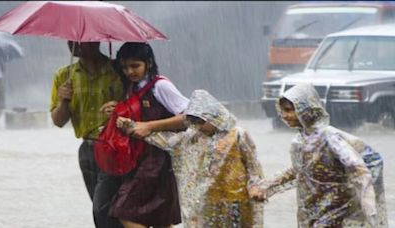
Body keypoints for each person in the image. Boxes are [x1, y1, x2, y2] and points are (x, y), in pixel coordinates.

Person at [117, 89, 265, 227]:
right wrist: (131, 126)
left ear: (214, 115)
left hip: (237, 202)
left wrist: (256, 187)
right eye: (194, 122)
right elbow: (162, 139)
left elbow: (254, 168)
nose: (199, 126)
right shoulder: (191, 139)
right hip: (206, 205)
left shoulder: (238, 135)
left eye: (201, 121)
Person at [256, 83, 388, 227]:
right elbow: (300, 169)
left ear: (305, 109)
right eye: (282, 111)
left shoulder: (328, 136)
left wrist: (368, 204)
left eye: (289, 110)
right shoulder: (300, 140)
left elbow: (357, 167)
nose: (284, 116)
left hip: (336, 208)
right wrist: (267, 186)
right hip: (310, 208)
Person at [107, 42, 189, 228]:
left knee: (123, 209)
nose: (130, 72)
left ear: (149, 63)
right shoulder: (132, 88)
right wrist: (118, 111)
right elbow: (136, 122)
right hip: (140, 158)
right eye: (125, 67)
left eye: (135, 66)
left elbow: (189, 117)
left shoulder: (160, 86)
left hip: (159, 161)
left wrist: (150, 126)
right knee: (160, 218)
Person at [50, 41, 125, 228]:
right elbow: (58, 121)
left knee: (102, 209)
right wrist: (64, 101)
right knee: (102, 207)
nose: (72, 45)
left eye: (78, 40)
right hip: (87, 150)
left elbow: (137, 106)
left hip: (114, 147)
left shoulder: (118, 71)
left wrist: (120, 108)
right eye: (69, 40)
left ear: (95, 41)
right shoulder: (64, 75)